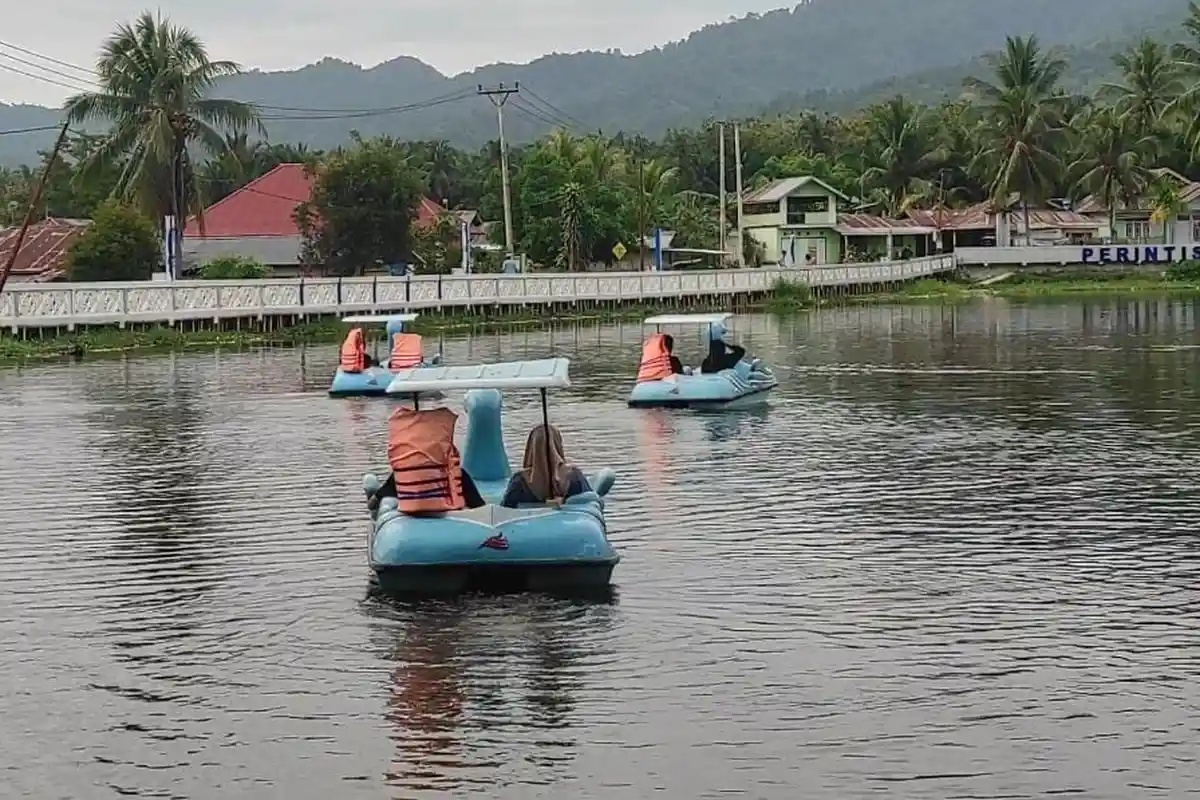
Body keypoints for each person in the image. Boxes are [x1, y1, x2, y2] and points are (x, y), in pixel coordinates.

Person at [368, 406, 485, 514]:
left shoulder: (401, 477)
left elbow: (372, 503)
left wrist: (375, 497)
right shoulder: (457, 476)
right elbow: (479, 509)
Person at [501, 424, 591, 508]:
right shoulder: (574, 476)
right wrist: (564, 501)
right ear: (558, 445)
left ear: (531, 448)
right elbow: (591, 501)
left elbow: (505, 508)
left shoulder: (519, 481)